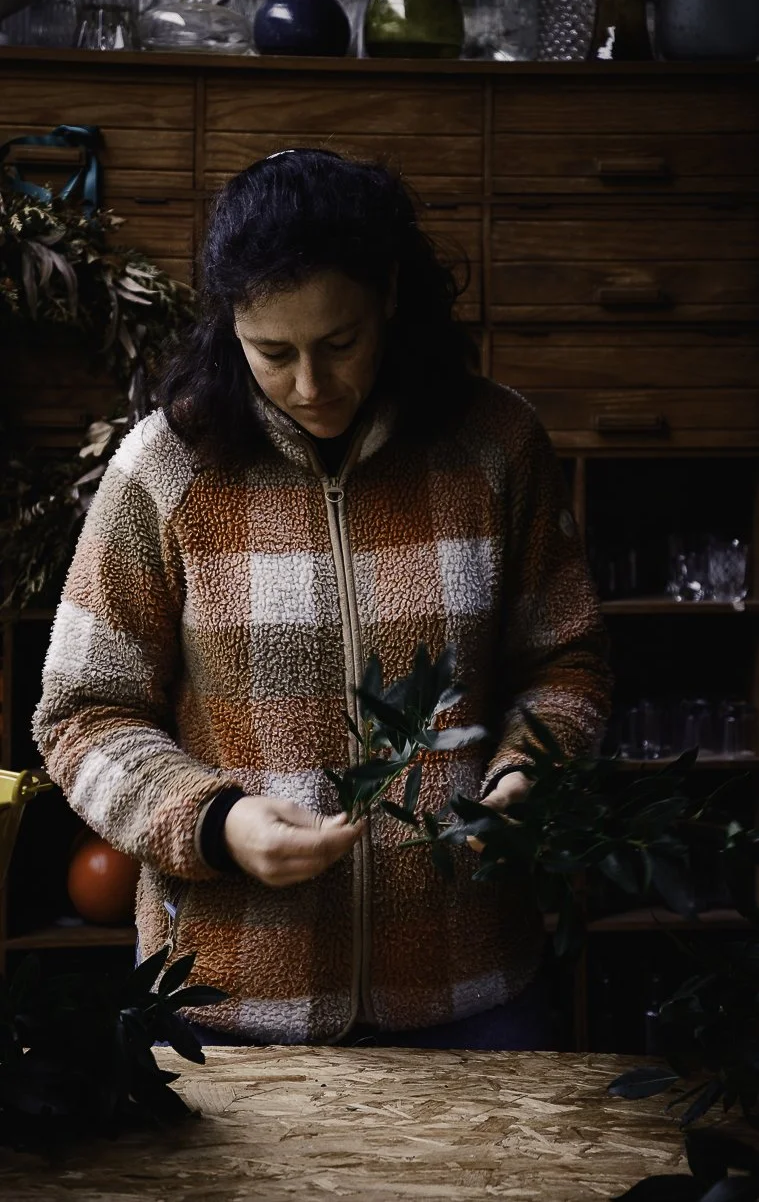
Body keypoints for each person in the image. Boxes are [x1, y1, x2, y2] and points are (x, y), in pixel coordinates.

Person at [32, 148, 612, 1050]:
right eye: (273, 352)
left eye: (339, 343)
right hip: (227, 1007)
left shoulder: (496, 444)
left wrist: (529, 767)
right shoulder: (166, 468)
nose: (311, 386)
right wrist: (215, 822)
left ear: (388, 295)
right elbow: (80, 714)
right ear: (231, 327)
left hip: (474, 989)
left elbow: (564, 661)